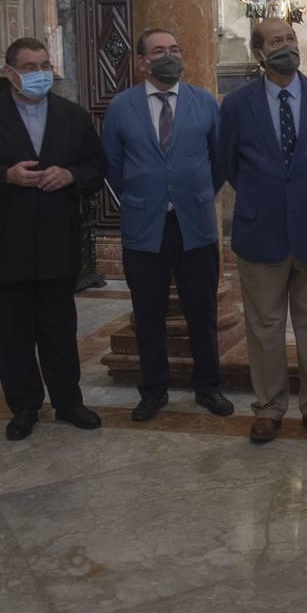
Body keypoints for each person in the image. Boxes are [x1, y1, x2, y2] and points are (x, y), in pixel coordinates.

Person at [0, 37, 106, 441]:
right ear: (10, 72)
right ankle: (23, 406)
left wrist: (70, 175)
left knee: (58, 330)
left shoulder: (72, 117)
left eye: (44, 66)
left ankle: (69, 402)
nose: (40, 74)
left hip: (56, 242)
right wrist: (5, 176)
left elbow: (96, 167)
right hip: (4, 246)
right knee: (11, 334)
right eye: (30, 66)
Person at [219, 18, 307, 443]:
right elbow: (227, 164)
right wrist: (268, 198)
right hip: (261, 232)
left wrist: (306, 197)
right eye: (276, 41)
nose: (286, 46)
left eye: (290, 39)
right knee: (265, 326)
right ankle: (269, 407)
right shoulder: (238, 105)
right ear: (259, 54)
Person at [102, 28, 233, 422]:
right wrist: (147, 196)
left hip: (195, 222)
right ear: (142, 61)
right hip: (145, 225)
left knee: (201, 310)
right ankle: (153, 390)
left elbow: (219, 159)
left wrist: (193, 194)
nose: (168, 56)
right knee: (148, 312)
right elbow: (113, 164)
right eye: (158, 51)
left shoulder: (204, 102)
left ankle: (208, 387)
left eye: (174, 49)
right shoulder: (121, 107)